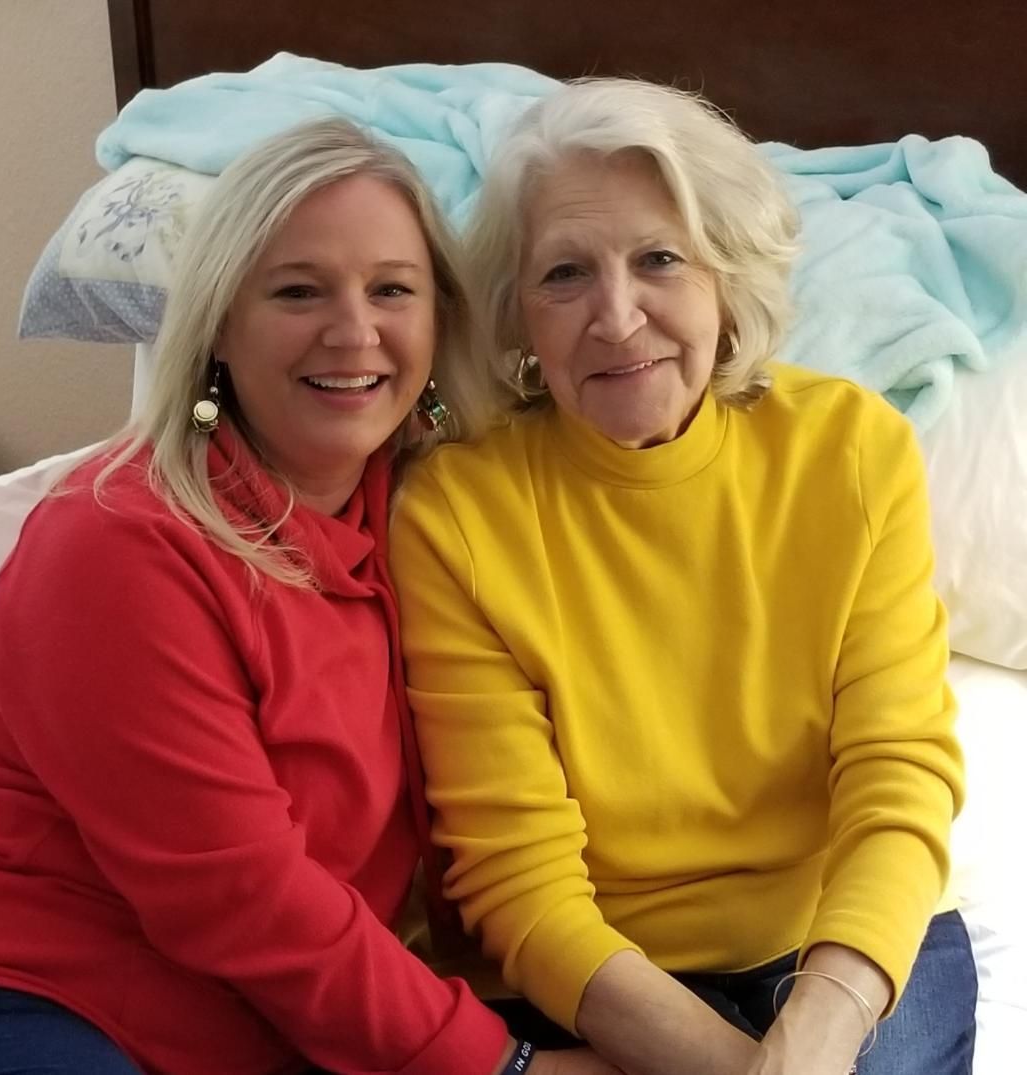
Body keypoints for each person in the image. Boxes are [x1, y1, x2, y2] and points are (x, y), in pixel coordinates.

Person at [0, 119, 622, 1075]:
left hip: (289, 1016)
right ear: (221, 319)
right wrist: (505, 1068)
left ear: (439, 319)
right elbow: (241, 895)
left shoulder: (440, 514)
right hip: (49, 990)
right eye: (298, 291)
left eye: (393, 288)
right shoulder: (115, 542)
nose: (354, 332)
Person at [389, 79, 977, 1075]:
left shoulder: (852, 452)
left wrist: (814, 1035)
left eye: (659, 258)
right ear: (520, 315)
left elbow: (898, 779)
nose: (617, 318)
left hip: (848, 945)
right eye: (566, 274)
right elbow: (518, 877)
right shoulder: (457, 514)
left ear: (725, 276)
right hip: (605, 973)